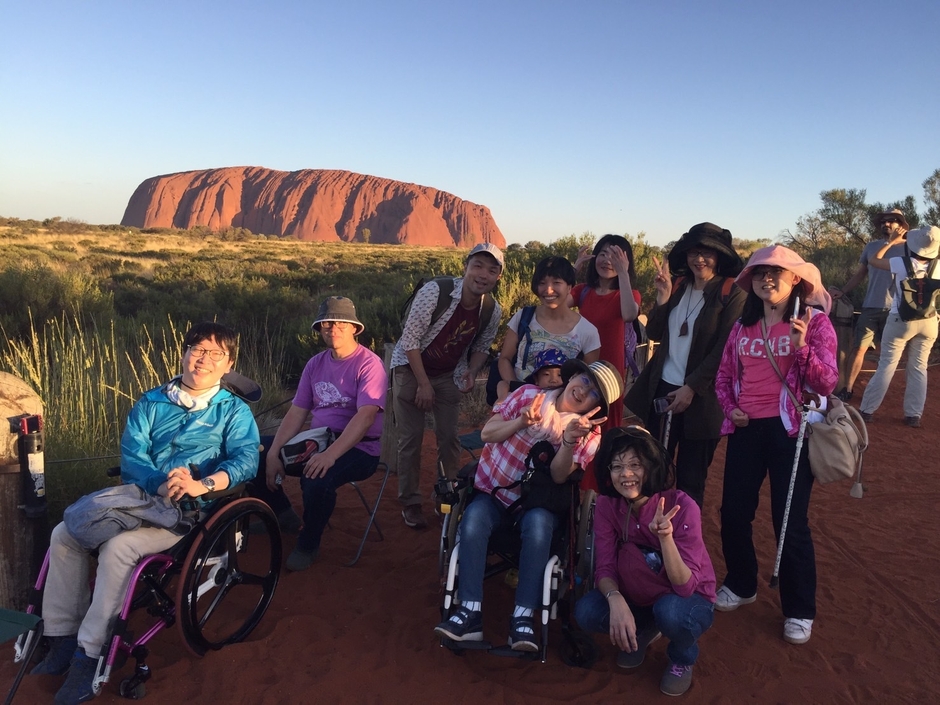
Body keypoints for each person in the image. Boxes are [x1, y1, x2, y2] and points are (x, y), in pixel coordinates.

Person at [33, 322, 260, 705]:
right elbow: (133, 457)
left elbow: (247, 459)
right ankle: (61, 634)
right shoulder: (152, 401)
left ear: (228, 364)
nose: (203, 359)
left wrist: (200, 485)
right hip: (142, 495)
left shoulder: (232, 411)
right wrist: (159, 482)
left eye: (214, 353)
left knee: (119, 549)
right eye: (197, 349)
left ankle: (89, 653)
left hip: (191, 511)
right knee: (64, 534)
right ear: (184, 354)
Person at [433, 360, 623, 652]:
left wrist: (570, 441)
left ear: (596, 406)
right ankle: (470, 612)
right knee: (473, 518)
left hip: (537, 506)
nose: (584, 392)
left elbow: (560, 476)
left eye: (594, 394)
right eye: (584, 381)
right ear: (573, 377)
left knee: (538, 527)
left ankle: (522, 618)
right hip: (493, 494)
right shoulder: (527, 396)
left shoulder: (588, 435)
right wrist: (521, 422)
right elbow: (487, 434)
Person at [714, 245, 838, 646]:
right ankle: (741, 582)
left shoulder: (815, 324)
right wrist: (730, 408)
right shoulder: (742, 326)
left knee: (789, 521)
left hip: (792, 431)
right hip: (747, 430)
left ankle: (800, 609)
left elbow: (826, 383)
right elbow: (724, 376)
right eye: (761, 273)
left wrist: (801, 348)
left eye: (777, 273)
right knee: (733, 511)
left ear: (795, 280)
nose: (768, 279)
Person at [574, 427, 716, 697]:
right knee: (587, 611)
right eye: (616, 466)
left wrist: (666, 538)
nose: (625, 474)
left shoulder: (682, 506)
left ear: (650, 467)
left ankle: (682, 657)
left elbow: (684, 587)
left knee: (671, 613)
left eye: (635, 465)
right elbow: (604, 567)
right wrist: (615, 599)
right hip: (637, 594)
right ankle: (643, 628)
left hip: (686, 598)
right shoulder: (607, 506)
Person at [259, 296, 387, 571]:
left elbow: (365, 417)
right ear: (319, 329)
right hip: (317, 440)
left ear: (355, 328)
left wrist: (330, 455)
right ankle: (284, 514)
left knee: (317, 476)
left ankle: (308, 543)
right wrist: (273, 453)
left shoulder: (369, 364)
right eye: (326, 323)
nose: (333, 327)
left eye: (342, 322)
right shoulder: (315, 364)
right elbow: (296, 412)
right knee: (253, 451)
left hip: (360, 449)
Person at [625, 223, 745, 508]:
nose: (699, 259)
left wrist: (691, 387)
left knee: (691, 479)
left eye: (707, 252)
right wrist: (663, 297)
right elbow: (653, 332)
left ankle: (682, 543)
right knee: (653, 471)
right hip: (663, 390)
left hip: (703, 399)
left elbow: (724, 349)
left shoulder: (733, 292)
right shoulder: (678, 286)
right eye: (694, 251)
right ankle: (648, 539)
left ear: (720, 256)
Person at [392, 243, 504, 529]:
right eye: (478, 266)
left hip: (448, 374)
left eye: (492, 270)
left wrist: (472, 371)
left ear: (498, 277)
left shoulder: (491, 310)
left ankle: (446, 496)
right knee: (411, 439)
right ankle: (410, 501)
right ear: (466, 267)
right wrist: (423, 384)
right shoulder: (436, 291)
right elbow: (410, 340)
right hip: (409, 368)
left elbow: (481, 346)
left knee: (449, 438)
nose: (483, 275)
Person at [858, 226, 940, 428]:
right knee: (919, 366)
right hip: (929, 321)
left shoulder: (900, 263)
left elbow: (873, 260)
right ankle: (913, 415)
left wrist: (891, 242)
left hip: (900, 319)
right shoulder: (938, 266)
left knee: (887, 364)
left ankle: (867, 410)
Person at [829, 209, 909, 401]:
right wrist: (844, 291)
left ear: (901, 225)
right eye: (884, 221)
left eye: (892, 221)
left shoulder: (910, 248)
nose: (886, 224)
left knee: (897, 354)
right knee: (859, 348)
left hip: (898, 309)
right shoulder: (871, 246)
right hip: (871, 306)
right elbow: (860, 274)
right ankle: (847, 389)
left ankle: (889, 395)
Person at [495, 255, 600, 395]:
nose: (548, 290)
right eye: (542, 283)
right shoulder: (523, 317)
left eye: (556, 282)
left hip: (560, 411)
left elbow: (587, 379)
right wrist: (519, 395)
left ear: (569, 287)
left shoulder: (588, 331)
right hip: (519, 405)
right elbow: (505, 359)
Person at [571, 234, 642, 432]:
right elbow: (555, 302)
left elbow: (629, 314)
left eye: (615, 256)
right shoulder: (583, 291)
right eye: (602, 253)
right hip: (583, 370)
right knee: (577, 425)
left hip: (610, 375)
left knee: (607, 428)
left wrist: (623, 274)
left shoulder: (629, 294)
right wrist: (574, 269)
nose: (607, 260)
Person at [495, 347, 567, 402]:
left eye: (559, 375)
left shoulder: (566, 396)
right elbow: (503, 383)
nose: (553, 380)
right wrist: (502, 398)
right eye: (546, 374)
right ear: (536, 379)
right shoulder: (528, 390)